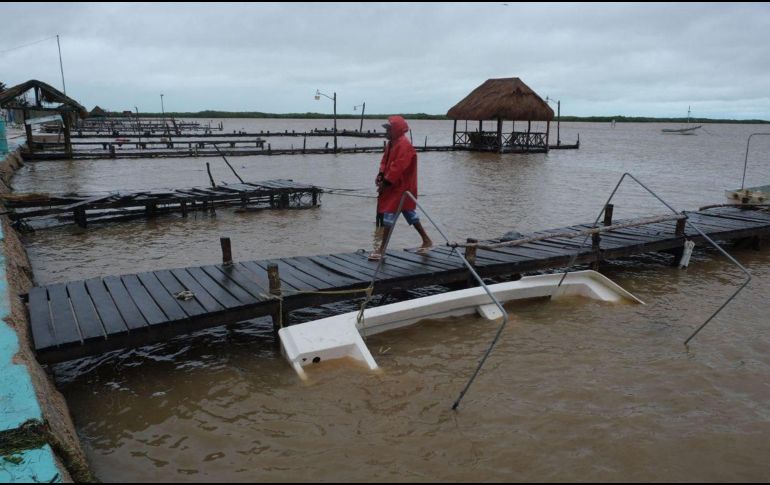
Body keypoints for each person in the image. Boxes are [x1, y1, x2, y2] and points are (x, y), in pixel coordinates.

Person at [369, 115, 432, 261]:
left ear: (396, 130)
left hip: (402, 187)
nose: (386, 131)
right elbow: (385, 161)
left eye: (388, 129)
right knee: (409, 213)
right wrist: (380, 175)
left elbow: (398, 167)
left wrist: (386, 182)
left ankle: (382, 249)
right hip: (394, 185)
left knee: (389, 216)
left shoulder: (404, 145)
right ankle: (426, 240)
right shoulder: (392, 143)